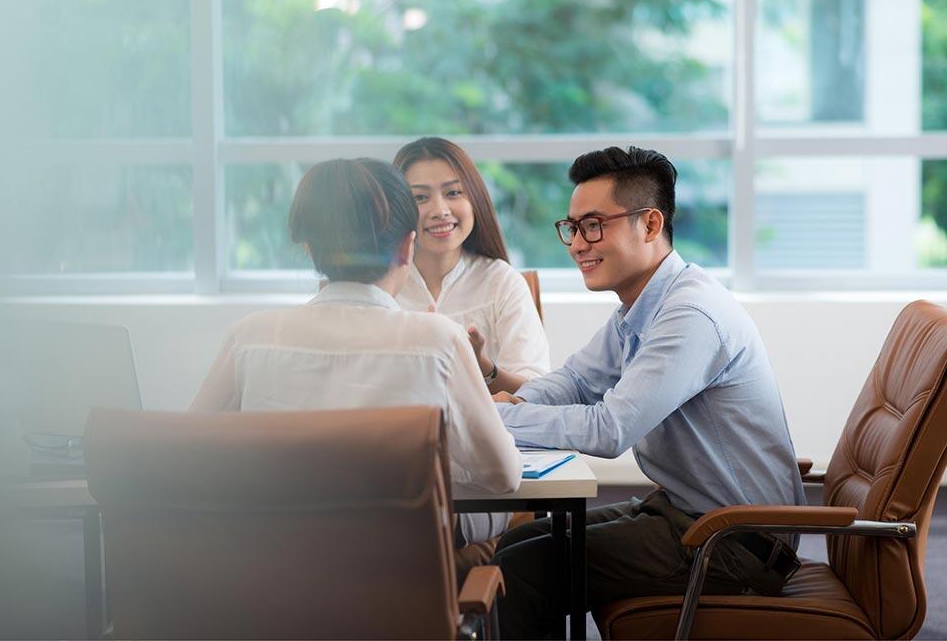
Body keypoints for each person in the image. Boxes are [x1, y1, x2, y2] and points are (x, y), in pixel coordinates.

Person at [490, 146, 807, 639]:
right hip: (683, 512)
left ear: (651, 224)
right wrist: (519, 403)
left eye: (594, 225)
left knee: (522, 571)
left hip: (733, 540)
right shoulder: (641, 308)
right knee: (521, 542)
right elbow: (576, 379)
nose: (577, 244)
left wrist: (491, 420)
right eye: (571, 227)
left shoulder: (690, 315)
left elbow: (610, 428)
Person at [189, 158, 522, 531]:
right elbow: (503, 476)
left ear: (311, 249)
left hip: (276, 575)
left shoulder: (249, 337)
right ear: (407, 248)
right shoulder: (440, 339)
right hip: (407, 578)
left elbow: (188, 454)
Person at [392, 137, 550, 395]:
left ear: (475, 198)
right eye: (420, 197)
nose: (440, 210)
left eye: (453, 193)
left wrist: (483, 367)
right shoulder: (381, 284)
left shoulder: (502, 282)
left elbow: (539, 392)